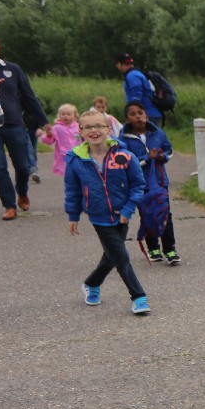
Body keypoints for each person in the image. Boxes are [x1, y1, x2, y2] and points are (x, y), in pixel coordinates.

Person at [64, 109, 150, 315]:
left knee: (111, 255)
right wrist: (73, 215)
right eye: (88, 127)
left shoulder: (125, 156)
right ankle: (138, 297)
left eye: (98, 126)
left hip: (122, 214)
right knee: (121, 256)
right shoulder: (75, 160)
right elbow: (72, 191)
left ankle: (92, 284)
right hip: (99, 216)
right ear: (80, 131)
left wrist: (128, 209)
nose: (94, 130)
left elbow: (138, 185)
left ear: (108, 129)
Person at [0, 32, 48, 220]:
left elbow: (29, 96)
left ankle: (22, 192)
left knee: (23, 166)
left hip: (14, 124)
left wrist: (44, 121)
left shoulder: (13, 69)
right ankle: (9, 206)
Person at [120, 101, 180, 265]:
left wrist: (162, 156)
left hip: (160, 182)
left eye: (140, 112)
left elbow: (169, 150)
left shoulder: (158, 133)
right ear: (127, 119)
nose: (138, 116)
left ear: (146, 115)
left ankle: (170, 250)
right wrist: (147, 158)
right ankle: (153, 248)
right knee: (147, 215)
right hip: (139, 184)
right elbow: (125, 161)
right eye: (133, 114)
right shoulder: (124, 139)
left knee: (165, 214)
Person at [113, 54, 163, 126]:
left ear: (120, 64)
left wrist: (132, 113)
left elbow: (137, 95)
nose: (117, 67)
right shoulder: (136, 73)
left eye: (117, 64)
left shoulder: (132, 76)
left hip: (146, 115)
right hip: (149, 113)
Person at [38, 103, 81, 177]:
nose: (65, 116)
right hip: (63, 157)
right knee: (68, 176)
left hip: (78, 156)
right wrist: (49, 135)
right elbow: (49, 141)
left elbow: (84, 140)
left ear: (75, 116)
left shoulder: (79, 128)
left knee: (78, 174)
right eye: (63, 114)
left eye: (68, 114)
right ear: (59, 115)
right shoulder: (57, 128)